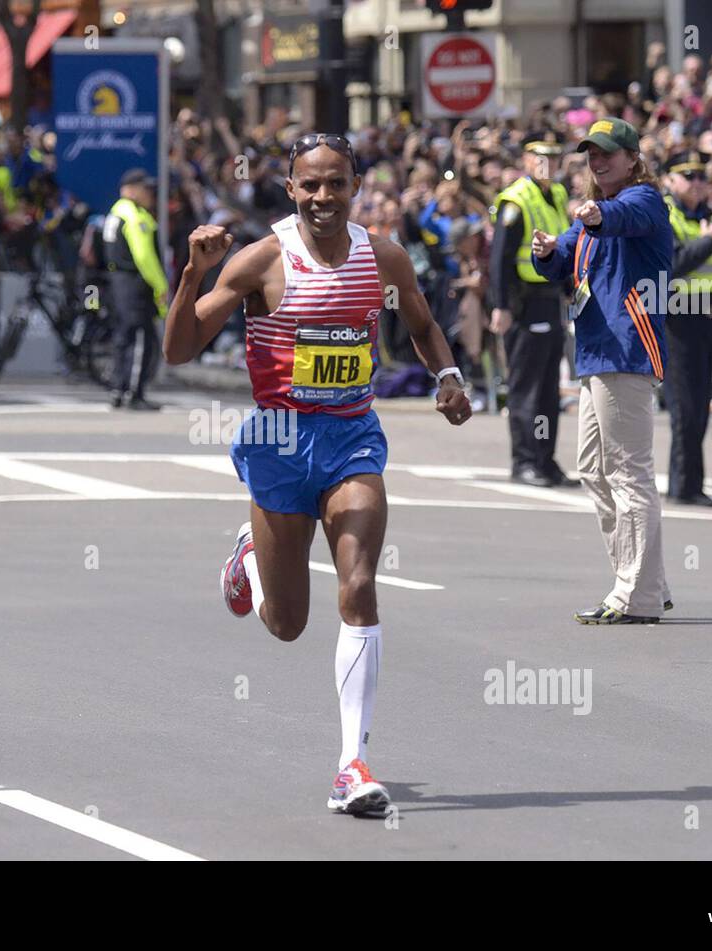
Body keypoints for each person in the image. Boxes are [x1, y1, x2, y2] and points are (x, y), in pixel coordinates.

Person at [162, 132, 472, 815]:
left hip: (351, 439)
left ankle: (350, 765)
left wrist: (447, 375)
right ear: (291, 190)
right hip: (278, 441)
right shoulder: (261, 260)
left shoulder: (381, 255)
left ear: (356, 186)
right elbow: (180, 349)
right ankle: (249, 554)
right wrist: (193, 275)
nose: (323, 196)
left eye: (336, 183)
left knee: (359, 586)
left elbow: (421, 322)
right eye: (310, 184)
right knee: (287, 623)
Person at [531, 118, 673, 624]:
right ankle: (646, 582)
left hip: (628, 349)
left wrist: (594, 216)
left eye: (609, 152)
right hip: (595, 351)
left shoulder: (644, 200)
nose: (598, 160)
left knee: (629, 472)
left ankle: (635, 595)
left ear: (633, 159)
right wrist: (547, 250)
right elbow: (568, 256)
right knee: (593, 470)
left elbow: (620, 218)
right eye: (591, 152)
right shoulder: (590, 214)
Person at [489, 132, 576, 487]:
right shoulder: (515, 200)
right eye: (541, 157)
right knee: (525, 387)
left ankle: (545, 459)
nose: (548, 164)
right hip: (523, 303)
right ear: (526, 160)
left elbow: (563, 247)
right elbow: (500, 259)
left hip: (550, 298)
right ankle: (524, 461)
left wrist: (570, 290)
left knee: (547, 388)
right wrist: (502, 305)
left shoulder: (556, 194)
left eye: (554, 157)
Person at [662, 151, 712, 507]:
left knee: (699, 406)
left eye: (701, 177)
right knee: (685, 408)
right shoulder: (666, 216)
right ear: (671, 182)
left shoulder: (708, 218)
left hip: (706, 321)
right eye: (688, 176)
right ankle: (684, 485)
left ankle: (692, 484)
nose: (697, 183)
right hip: (678, 321)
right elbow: (669, 265)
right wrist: (703, 244)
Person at [104, 168, 167, 409]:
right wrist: (160, 284)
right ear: (130, 190)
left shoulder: (114, 213)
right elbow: (143, 257)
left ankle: (118, 389)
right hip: (135, 286)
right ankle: (134, 393)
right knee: (142, 339)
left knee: (123, 337)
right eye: (144, 188)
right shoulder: (134, 216)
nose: (149, 193)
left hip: (117, 283)